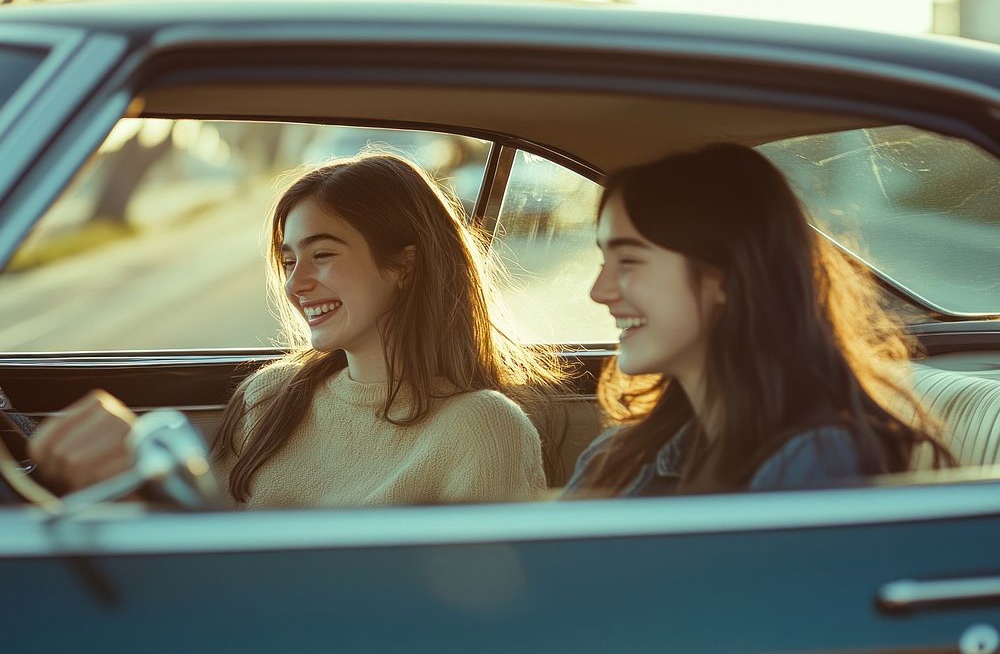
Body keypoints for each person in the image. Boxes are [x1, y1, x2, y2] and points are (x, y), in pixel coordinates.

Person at [27, 153, 569, 508]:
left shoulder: (483, 429)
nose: (296, 286)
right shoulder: (272, 398)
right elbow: (219, 559)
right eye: (288, 262)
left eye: (323, 255)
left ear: (403, 266)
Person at [562, 143, 955, 498]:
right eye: (604, 261)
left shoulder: (812, 462)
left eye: (628, 261)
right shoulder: (618, 455)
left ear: (724, 277)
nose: (599, 291)